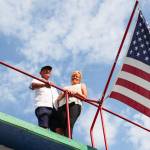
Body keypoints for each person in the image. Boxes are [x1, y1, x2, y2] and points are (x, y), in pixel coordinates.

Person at [56, 71, 87, 137]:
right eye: (73, 76)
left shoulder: (81, 85)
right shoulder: (65, 87)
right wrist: (64, 94)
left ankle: (68, 140)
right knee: (61, 125)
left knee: (69, 123)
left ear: (80, 79)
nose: (75, 77)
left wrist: (76, 93)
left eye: (77, 76)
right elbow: (58, 99)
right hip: (62, 106)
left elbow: (84, 97)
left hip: (74, 104)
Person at [30, 65, 59, 132]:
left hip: (54, 109)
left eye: (49, 70)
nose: (47, 71)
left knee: (57, 129)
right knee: (43, 128)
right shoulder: (37, 79)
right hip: (43, 106)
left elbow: (57, 98)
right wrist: (44, 84)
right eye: (45, 70)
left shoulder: (53, 86)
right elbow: (32, 86)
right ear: (40, 73)